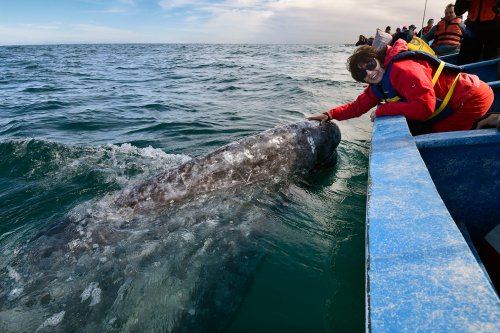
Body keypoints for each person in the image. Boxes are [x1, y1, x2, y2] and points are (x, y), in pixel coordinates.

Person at [307, 39, 494, 134]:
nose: (370, 73)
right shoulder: (379, 84)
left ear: (378, 59)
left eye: (370, 65)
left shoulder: (402, 69)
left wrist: (384, 109)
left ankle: (484, 122)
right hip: (455, 102)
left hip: (471, 99)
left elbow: (425, 108)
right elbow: (356, 107)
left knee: (431, 134)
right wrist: (329, 114)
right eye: (363, 74)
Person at [454, 0, 500, 65]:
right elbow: (458, 11)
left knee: (493, 63)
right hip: (472, 31)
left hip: (495, 31)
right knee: (463, 63)